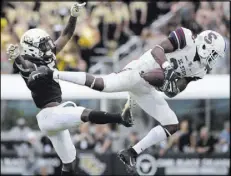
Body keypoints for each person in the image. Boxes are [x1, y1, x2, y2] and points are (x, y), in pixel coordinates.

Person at [25, 26, 226, 174]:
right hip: (140, 71)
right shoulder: (187, 37)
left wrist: (170, 86)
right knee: (103, 84)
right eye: (215, 54)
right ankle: (52, 74)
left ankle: (131, 152)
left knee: (171, 123)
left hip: (149, 86)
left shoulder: (202, 69)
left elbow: (177, 89)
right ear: (206, 46)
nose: (214, 59)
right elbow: (157, 49)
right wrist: (167, 69)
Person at [6, 2, 133, 176]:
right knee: (82, 112)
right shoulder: (28, 64)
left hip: (54, 117)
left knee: (70, 164)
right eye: (42, 45)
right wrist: (17, 59)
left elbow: (66, 34)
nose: (48, 47)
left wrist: (73, 16)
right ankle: (120, 118)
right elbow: (27, 69)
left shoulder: (46, 57)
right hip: (50, 115)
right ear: (31, 49)